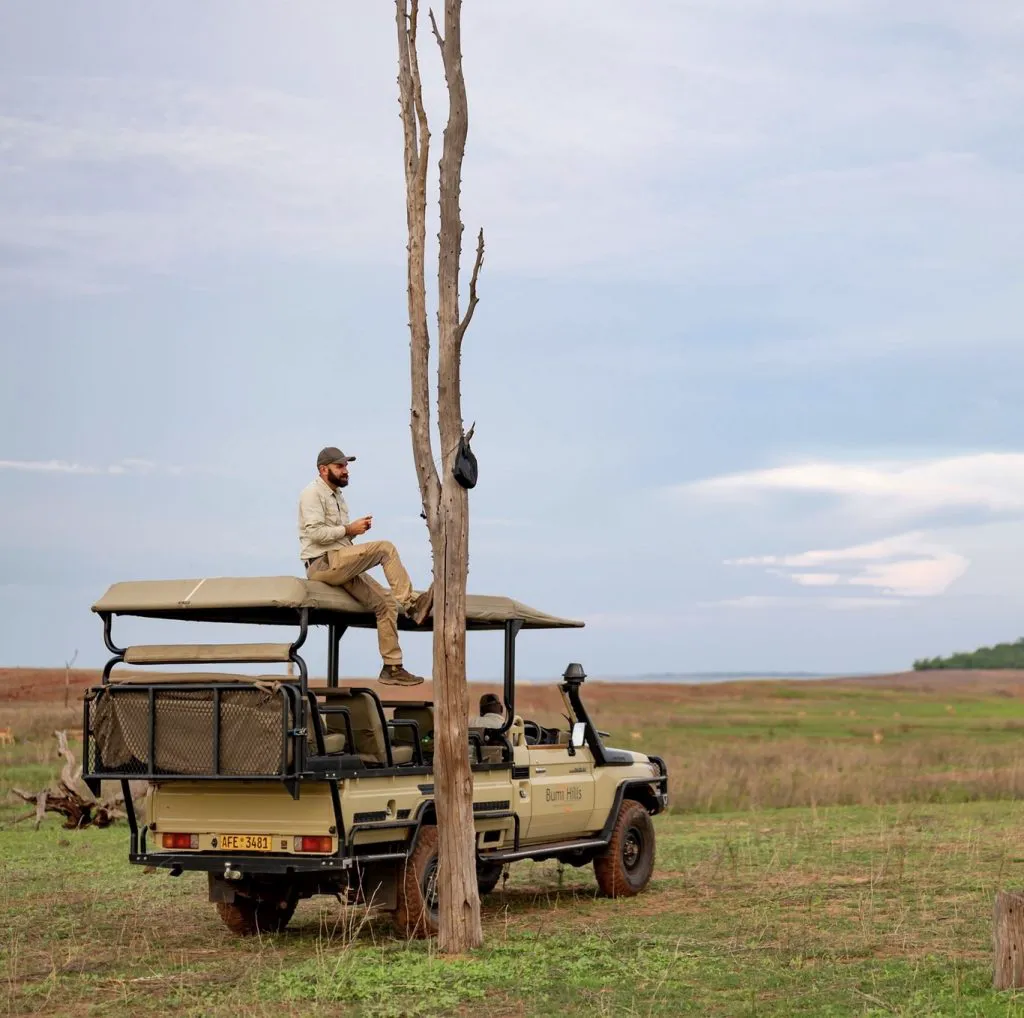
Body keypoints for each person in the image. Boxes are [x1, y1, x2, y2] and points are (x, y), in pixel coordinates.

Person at [298, 446, 432, 686]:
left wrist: (353, 533)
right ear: (323, 469)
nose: (346, 470)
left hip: (337, 560)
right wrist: (350, 530)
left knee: (385, 603)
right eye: (340, 466)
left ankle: (392, 667)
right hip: (323, 562)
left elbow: (336, 537)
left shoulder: (337, 496)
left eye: (346, 466)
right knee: (385, 548)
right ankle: (412, 605)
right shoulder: (312, 493)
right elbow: (315, 534)